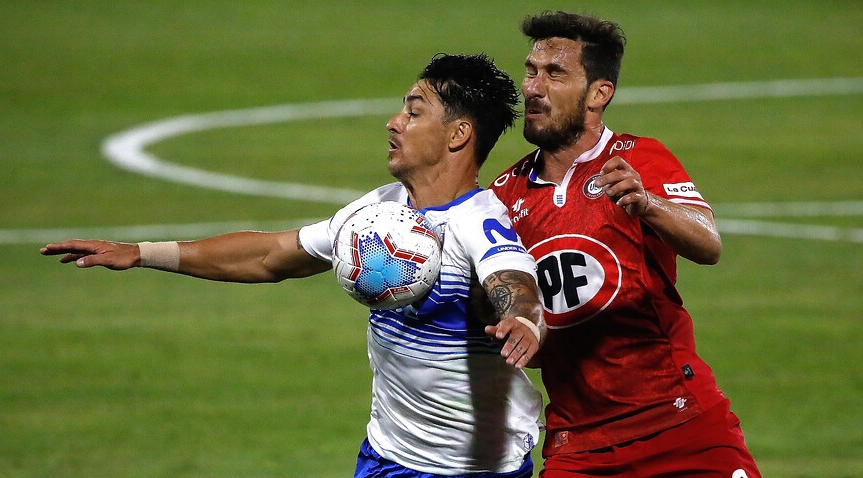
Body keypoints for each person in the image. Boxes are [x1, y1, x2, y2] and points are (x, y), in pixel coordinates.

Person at [42, 53, 547, 478]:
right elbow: (270, 255)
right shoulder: (378, 212)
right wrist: (143, 253)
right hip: (386, 455)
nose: (394, 123)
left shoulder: (477, 222)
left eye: (414, 113)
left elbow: (511, 276)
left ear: (458, 134)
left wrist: (522, 314)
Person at [488, 11, 762, 478]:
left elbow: (708, 243)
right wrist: (517, 328)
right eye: (531, 70)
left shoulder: (639, 159)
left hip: (681, 422)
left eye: (555, 74)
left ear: (599, 94)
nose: (533, 87)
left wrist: (649, 205)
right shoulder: (503, 195)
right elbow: (518, 323)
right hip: (579, 447)